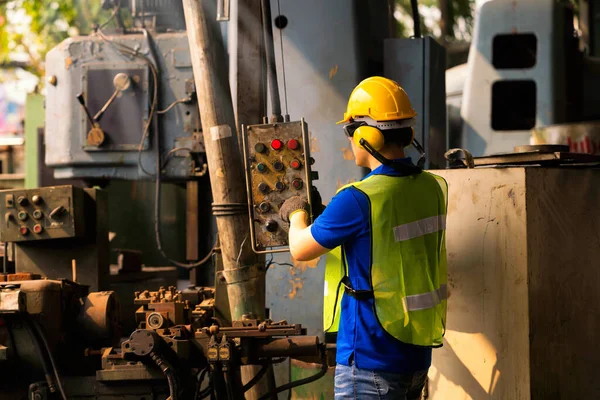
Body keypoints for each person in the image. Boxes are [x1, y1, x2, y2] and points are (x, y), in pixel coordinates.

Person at [279, 77, 448, 399]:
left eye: (350, 132)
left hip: (370, 361)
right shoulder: (432, 186)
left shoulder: (358, 198)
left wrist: (296, 212)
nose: (350, 141)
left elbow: (300, 249)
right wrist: (332, 217)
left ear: (365, 135)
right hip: (415, 354)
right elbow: (384, 232)